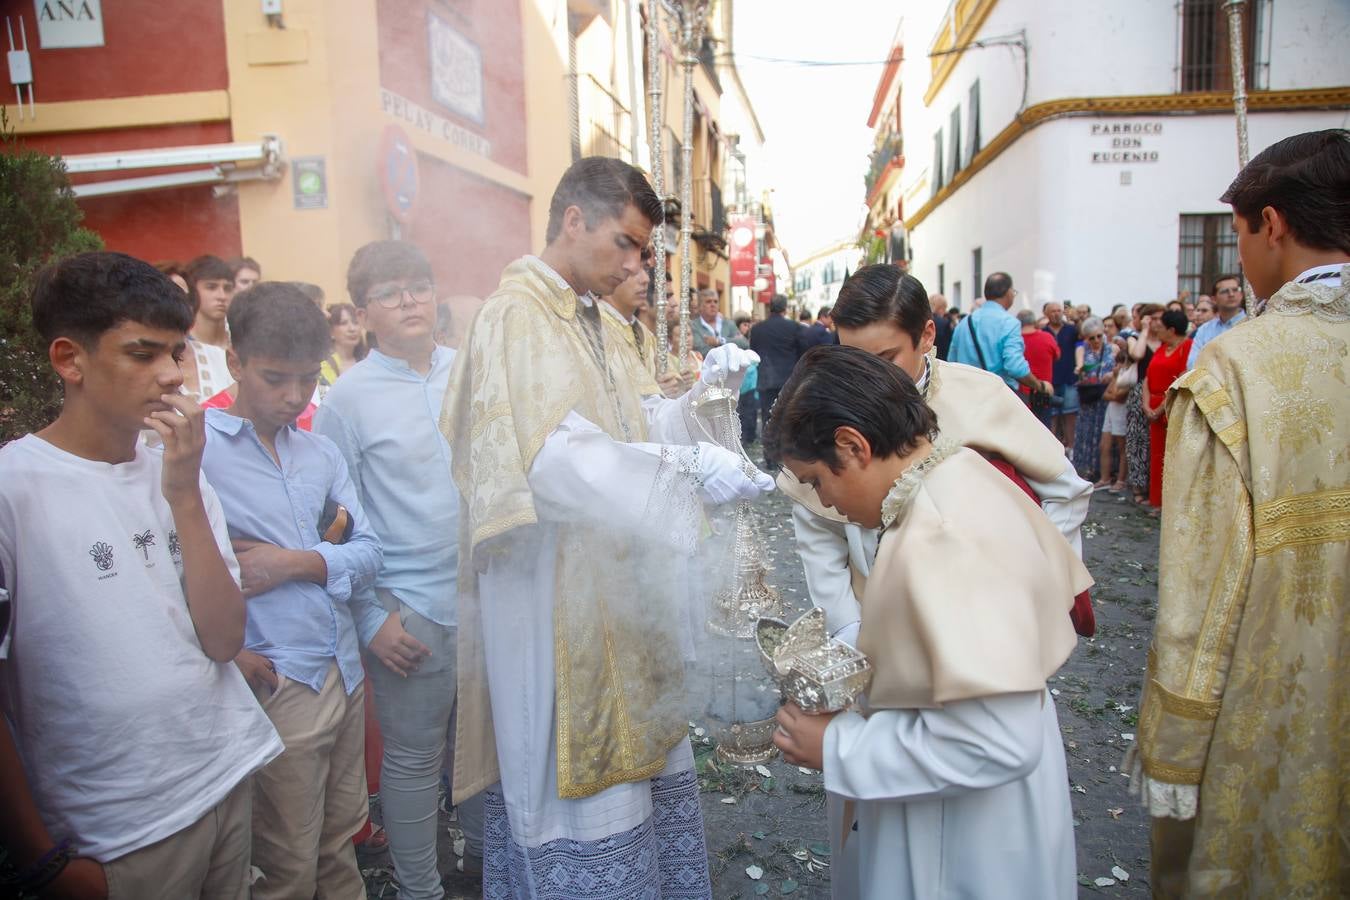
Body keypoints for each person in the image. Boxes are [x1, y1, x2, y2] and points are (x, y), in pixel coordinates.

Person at [438, 157, 772, 898]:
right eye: (627, 243)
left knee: (644, 783)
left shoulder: (594, 320)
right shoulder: (514, 317)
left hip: (621, 592)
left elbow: (636, 423)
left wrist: (703, 408)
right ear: (573, 220)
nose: (636, 262)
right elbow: (551, 458)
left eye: (644, 250)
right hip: (553, 598)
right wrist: (682, 473)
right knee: (576, 797)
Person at [0, 252, 282, 899]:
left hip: (221, 772)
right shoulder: (15, 488)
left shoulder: (179, 466)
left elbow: (222, 639)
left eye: (178, 353)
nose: (168, 376)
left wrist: (183, 492)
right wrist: (40, 860)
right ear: (70, 360)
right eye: (141, 354)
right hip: (118, 826)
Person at [766, 345, 1086, 900]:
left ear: (853, 445)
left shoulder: (943, 534)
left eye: (817, 481)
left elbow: (995, 741)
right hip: (968, 802)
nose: (828, 504)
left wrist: (837, 747)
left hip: (966, 836)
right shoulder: (957, 473)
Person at [1131, 128, 1350, 898]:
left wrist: (1174, 747)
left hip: (1279, 714)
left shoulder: (1237, 370)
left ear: (1274, 225)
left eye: (1241, 237)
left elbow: (1203, 585)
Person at [777, 265, 1091, 650]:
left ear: (926, 336)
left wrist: (1028, 586)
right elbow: (817, 526)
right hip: (877, 623)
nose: (867, 378)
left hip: (981, 621)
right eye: (852, 359)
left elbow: (1066, 492)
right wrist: (848, 629)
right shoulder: (826, 410)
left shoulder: (981, 395)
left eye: (885, 358)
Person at [314, 240, 486, 895]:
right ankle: (421, 887)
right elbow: (332, 524)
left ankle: (482, 867)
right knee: (413, 761)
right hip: (407, 608)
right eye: (390, 293)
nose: (410, 300)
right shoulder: (347, 401)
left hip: (484, 593)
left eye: (419, 285)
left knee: (481, 748)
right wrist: (371, 617)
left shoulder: (469, 371)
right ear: (362, 313)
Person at [201, 282, 381, 900]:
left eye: (307, 379)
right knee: (286, 862)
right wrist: (236, 658)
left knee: (340, 839)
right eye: (275, 378)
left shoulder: (319, 452)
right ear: (234, 363)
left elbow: (369, 552)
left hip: (343, 669)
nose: (295, 397)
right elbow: (178, 573)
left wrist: (290, 564)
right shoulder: (197, 455)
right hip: (276, 678)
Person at [949, 272, 1050, 396]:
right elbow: (1015, 367)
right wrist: (1039, 385)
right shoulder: (1009, 323)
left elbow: (952, 363)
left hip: (968, 395)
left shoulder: (964, 323)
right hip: (998, 398)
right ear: (1008, 292)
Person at [1141, 308, 1192, 510]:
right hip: (1153, 407)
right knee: (1157, 455)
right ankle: (1157, 500)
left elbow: (1181, 379)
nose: (1156, 329)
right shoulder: (1162, 347)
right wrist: (1146, 405)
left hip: (1172, 407)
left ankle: (1171, 503)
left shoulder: (1187, 347)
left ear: (1171, 329)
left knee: (1172, 456)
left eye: (1160, 326)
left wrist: (1161, 408)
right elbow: (1147, 378)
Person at [749, 294, 807, 465]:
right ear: (785, 308)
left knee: (769, 417)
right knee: (789, 416)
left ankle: (771, 457)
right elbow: (801, 352)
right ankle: (787, 456)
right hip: (788, 378)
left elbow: (755, 351)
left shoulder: (758, 329)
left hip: (766, 377)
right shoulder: (794, 327)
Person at [1124, 303, 1164, 505]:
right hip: (1140, 391)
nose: (1157, 322)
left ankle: (1154, 486)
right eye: (1153, 318)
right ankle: (1138, 485)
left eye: (1160, 318)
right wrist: (1145, 330)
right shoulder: (1135, 338)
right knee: (1137, 440)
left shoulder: (1166, 340)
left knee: (1155, 442)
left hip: (1161, 391)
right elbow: (1138, 355)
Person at [1072, 316, 1116, 481]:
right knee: (1087, 431)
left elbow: (1119, 368)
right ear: (1086, 338)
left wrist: (1112, 375)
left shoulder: (1112, 349)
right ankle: (1087, 468)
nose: (1096, 340)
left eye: (1099, 336)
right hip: (1090, 397)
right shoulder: (1082, 349)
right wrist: (1080, 368)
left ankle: (1104, 470)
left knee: (1103, 434)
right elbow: (1079, 365)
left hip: (1106, 396)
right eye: (1092, 338)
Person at [1042, 300, 1079, 453]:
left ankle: (1071, 448)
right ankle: (1053, 450)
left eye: (1059, 310)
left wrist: (1076, 318)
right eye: (1053, 311)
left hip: (1069, 378)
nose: (1057, 314)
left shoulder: (1072, 330)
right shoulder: (1043, 332)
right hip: (1051, 380)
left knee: (1070, 414)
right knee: (1053, 417)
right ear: (1046, 314)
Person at [1185, 274, 1245, 369]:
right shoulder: (1204, 330)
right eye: (1225, 291)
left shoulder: (1250, 324)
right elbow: (1192, 363)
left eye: (1235, 290)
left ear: (1241, 295)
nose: (1231, 294)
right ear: (1214, 299)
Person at [1017, 308, 1059, 428]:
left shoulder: (1014, 339)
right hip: (1043, 391)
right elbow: (1057, 355)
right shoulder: (1047, 337)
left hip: (1020, 394)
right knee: (1044, 430)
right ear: (1034, 321)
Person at [186, 255, 236, 350]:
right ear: (193, 291)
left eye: (227, 288)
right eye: (211, 287)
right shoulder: (180, 348)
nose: (222, 296)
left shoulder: (243, 344)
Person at [321, 303, 368, 385]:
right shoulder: (322, 365)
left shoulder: (368, 362)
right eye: (344, 323)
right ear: (331, 331)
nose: (352, 329)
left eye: (355, 322)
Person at [691, 287, 746, 356]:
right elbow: (700, 350)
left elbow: (744, 344)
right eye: (708, 302)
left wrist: (719, 341)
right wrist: (732, 344)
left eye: (715, 301)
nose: (713, 305)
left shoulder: (728, 323)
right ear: (700, 306)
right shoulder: (693, 326)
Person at [929, 292, 952, 359]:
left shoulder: (922, 320)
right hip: (940, 360)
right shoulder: (944, 323)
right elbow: (947, 347)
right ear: (941, 308)